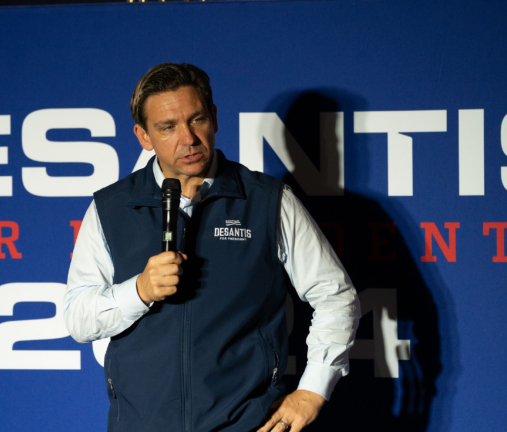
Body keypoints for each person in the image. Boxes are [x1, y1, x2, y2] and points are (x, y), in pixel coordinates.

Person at [64, 63, 360, 432]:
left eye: (197, 119)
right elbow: (77, 317)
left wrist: (313, 390)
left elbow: (335, 295)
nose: (188, 138)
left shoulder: (268, 201)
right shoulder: (110, 207)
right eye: (167, 127)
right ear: (144, 136)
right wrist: (139, 291)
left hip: (248, 423)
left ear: (215, 118)